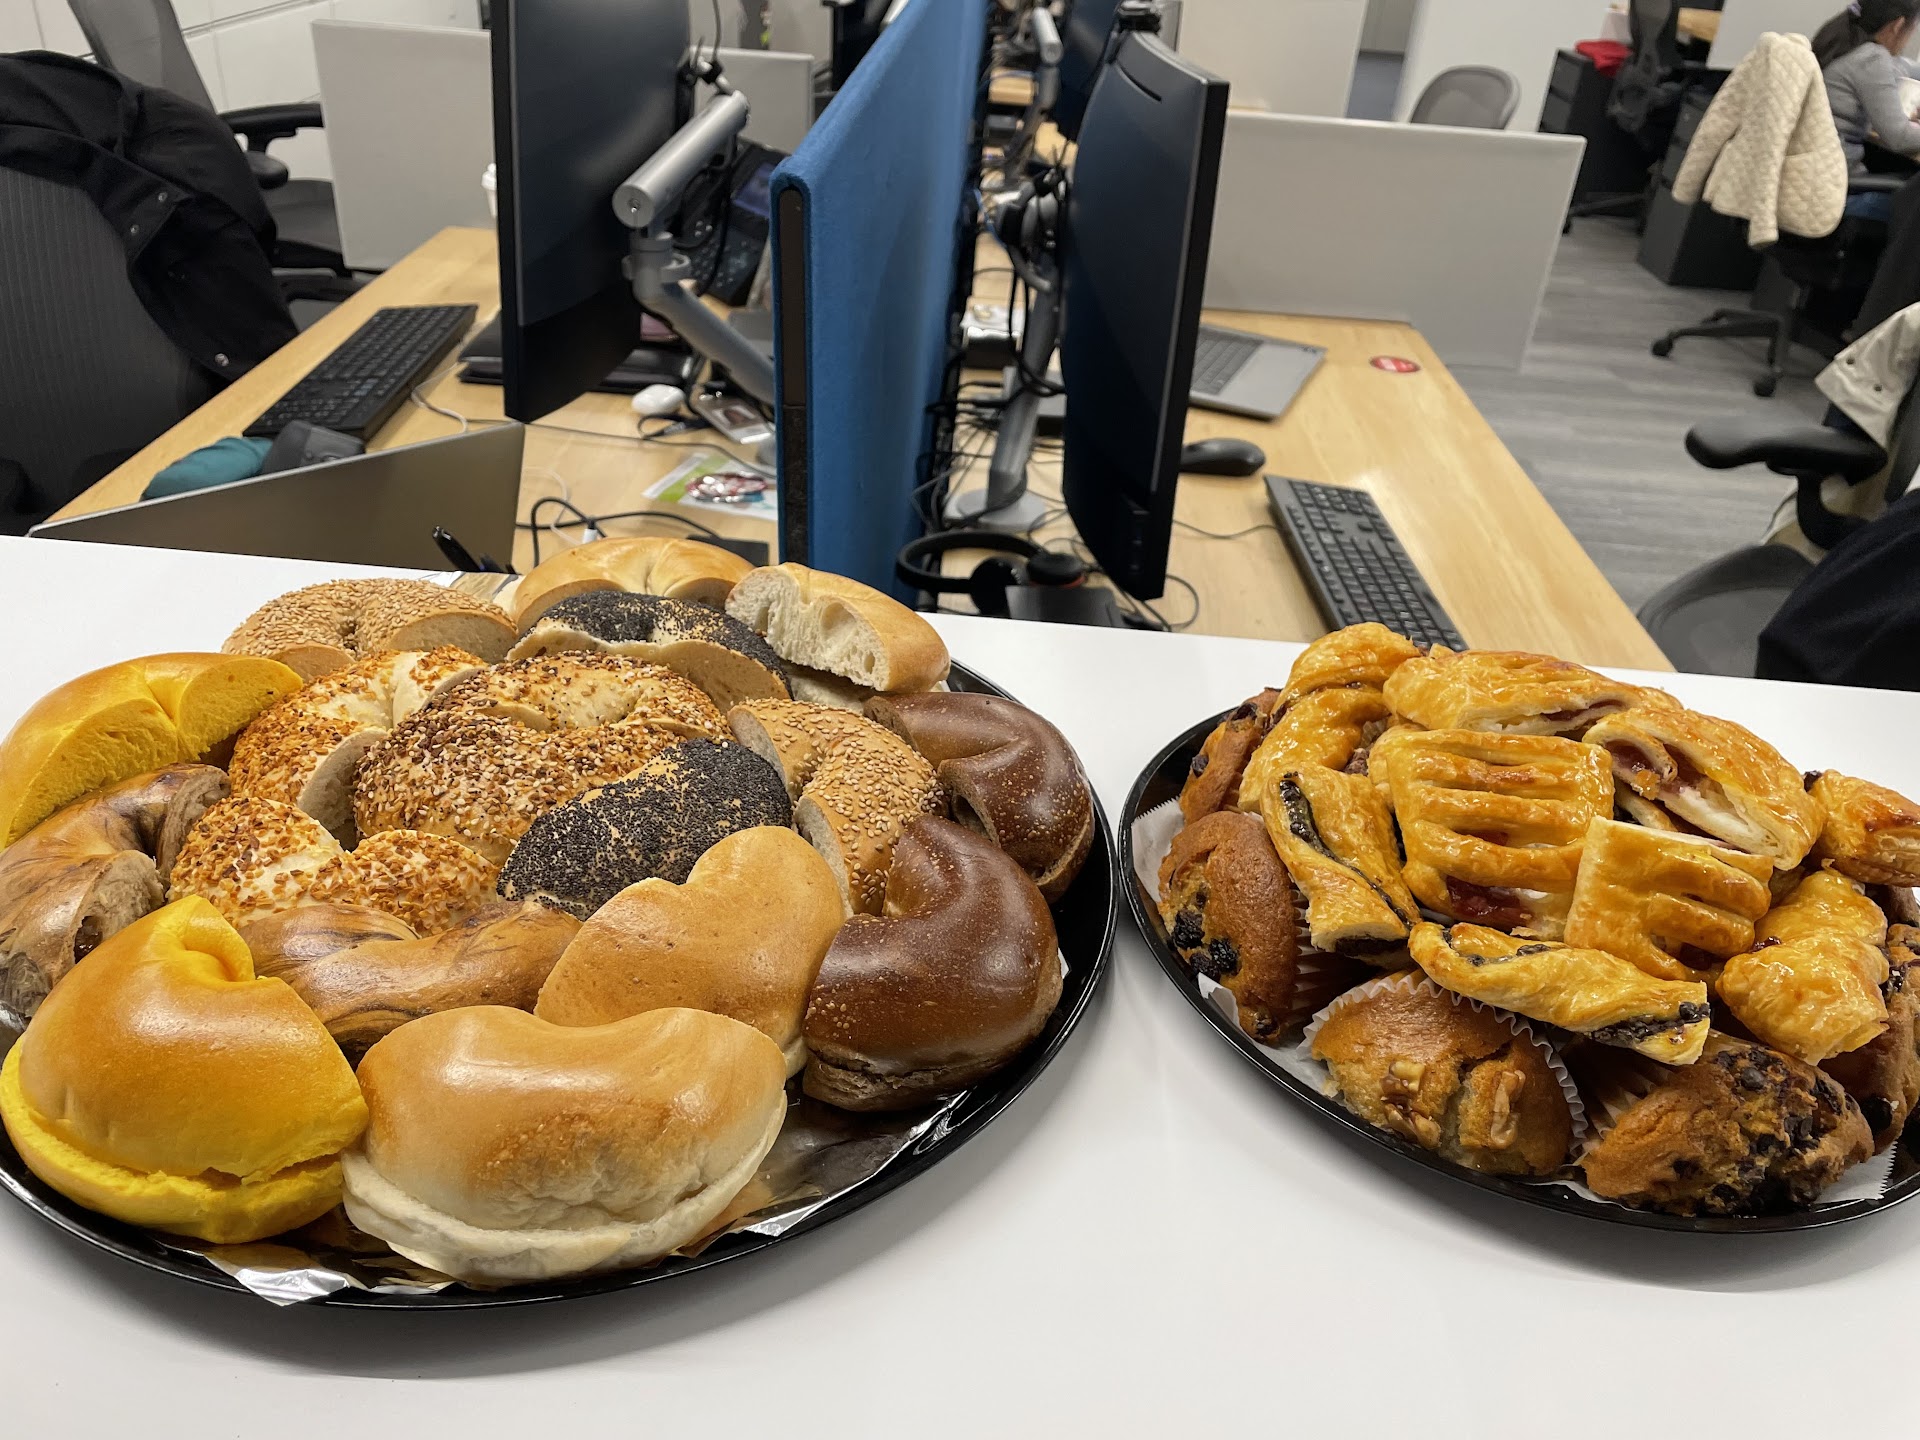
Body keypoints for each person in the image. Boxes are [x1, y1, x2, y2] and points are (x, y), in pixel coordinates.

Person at [1816, 0, 1920, 219]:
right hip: (1839, 194)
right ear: (1898, 25)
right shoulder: (1872, 58)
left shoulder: (1839, 42)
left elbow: (1903, 67)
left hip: (1817, 182)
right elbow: (1899, 138)